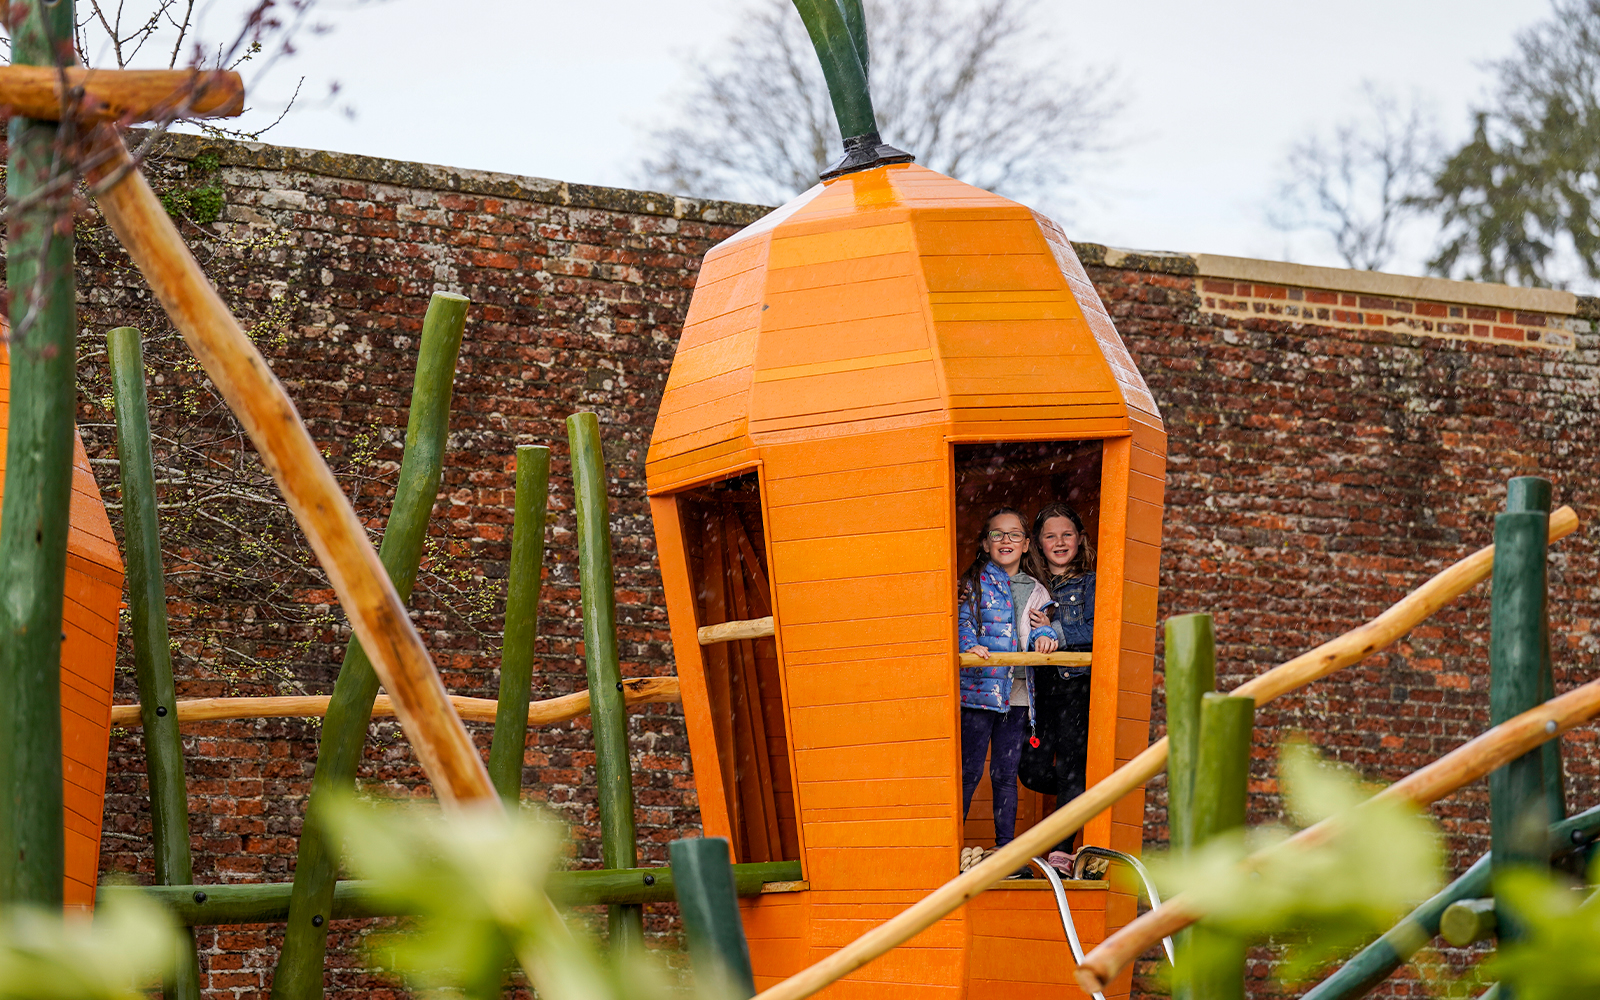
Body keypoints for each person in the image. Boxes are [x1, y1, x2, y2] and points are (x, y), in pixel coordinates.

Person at [956, 507, 1058, 876]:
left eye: (1014, 534)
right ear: (985, 543)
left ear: (1027, 543)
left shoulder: (1035, 589)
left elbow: (1044, 626)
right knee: (968, 773)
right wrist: (970, 645)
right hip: (980, 693)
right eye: (997, 534)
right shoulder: (976, 583)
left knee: (1004, 773)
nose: (1006, 541)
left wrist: (1046, 637)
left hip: (1016, 698)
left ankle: (1006, 852)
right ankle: (951, 846)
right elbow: (961, 620)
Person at [1019, 502, 1097, 876]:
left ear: (1080, 539)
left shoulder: (1091, 582)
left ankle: (1062, 848)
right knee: (1031, 771)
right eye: (1051, 535)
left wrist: (1058, 631)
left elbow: (1101, 629)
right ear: (1037, 542)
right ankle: (1082, 795)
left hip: (1074, 689)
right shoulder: (1030, 584)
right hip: (1038, 691)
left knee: (1069, 768)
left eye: (1067, 534)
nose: (1060, 542)